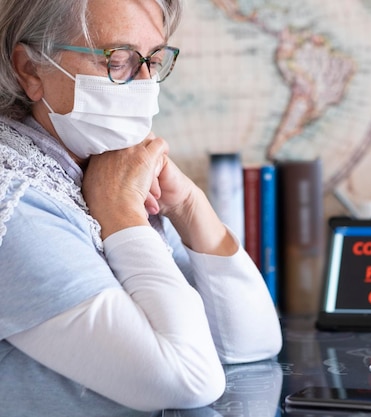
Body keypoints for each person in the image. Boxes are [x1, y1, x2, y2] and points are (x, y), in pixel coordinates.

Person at [0, 0, 282, 412]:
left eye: (154, 59)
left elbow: (249, 346)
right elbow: (186, 379)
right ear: (30, 70)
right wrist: (120, 217)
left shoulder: (102, 167)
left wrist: (188, 206)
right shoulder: (14, 201)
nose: (147, 82)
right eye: (119, 60)